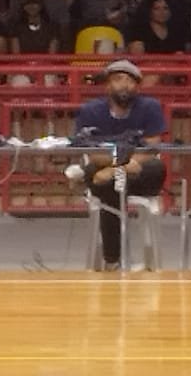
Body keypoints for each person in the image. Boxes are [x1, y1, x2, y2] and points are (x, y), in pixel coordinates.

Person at [70, 59, 167, 268]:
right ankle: (113, 259)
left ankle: (111, 261)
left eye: (130, 81)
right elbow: (94, 154)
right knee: (105, 183)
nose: (124, 85)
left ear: (137, 87)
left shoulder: (150, 107)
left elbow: (152, 148)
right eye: (118, 79)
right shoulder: (90, 111)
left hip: (139, 172)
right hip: (110, 172)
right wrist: (122, 166)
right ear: (107, 85)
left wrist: (115, 169)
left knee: (155, 167)